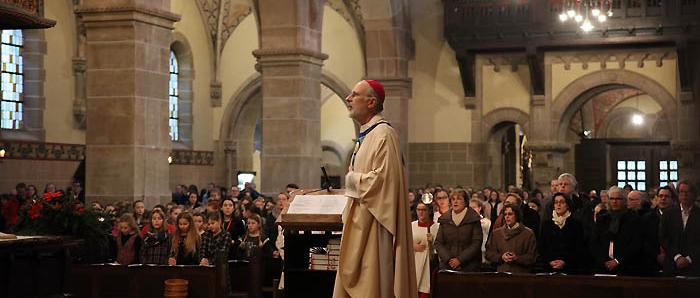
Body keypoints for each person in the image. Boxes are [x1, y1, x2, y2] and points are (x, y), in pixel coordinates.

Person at [333, 79, 417, 298]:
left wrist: (351, 179)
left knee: (374, 284)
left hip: (375, 224)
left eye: (354, 94)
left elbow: (383, 182)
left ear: (371, 102)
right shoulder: (368, 135)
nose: (348, 98)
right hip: (362, 220)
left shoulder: (384, 135)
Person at [590, 186, 643, 275]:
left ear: (624, 200)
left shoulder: (633, 219)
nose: (614, 201)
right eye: (612, 199)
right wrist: (604, 260)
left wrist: (618, 261)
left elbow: (635, 244)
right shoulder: (602, 218)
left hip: (626, 266)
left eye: (618, 199)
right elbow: (594, 242)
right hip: (603, 266)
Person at [434, 189, 482, 272]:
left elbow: (476, 243)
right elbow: (438, 243)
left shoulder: (473, 218)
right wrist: (449, 260)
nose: (455, 201)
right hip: (448, 266)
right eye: (453, 199)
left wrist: (460, 260)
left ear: (466, 202)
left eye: (459, 199)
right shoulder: (445, 219)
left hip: (469, 265)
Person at [659, 180, 700, 276]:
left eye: (687, 192)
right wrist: (677, 257)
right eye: (681, 192)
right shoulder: (668, 214)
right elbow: (663, 237)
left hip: (695, 266)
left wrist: (689, 259)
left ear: (694, 194)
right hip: (672, 264)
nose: (684, 195)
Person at [538, 193, 585, 274]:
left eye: (562, 202)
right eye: (556, 202)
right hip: (549, 268)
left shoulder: (576, 225)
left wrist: (565, 262)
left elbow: (579, 248)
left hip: (570, 269)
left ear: (567, 205)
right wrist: (550, 261)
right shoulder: (546, 224)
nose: (558, 204)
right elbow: (542, 247)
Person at [485, 204, 538, 273]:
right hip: (501, 274)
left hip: (521, 274)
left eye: (510, 214)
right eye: (505, 214)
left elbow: (532, 257)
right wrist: (501, 257)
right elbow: (489, 253)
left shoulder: (528, 234)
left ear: (517, 215)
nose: (507, 217)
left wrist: (516, 258)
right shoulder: (496, 233)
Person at [411, 202, 439, 297]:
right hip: (414, 262)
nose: (421, 212)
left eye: (423, 210)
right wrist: (412, 246)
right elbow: (403, 242)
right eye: (418, 210)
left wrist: (432, 242)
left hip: (429, 263)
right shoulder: (411, 226)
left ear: (429, 211)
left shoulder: (436, 227)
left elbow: (440, 246)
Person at [468, 198, 491, 264]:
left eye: (474, 207)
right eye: (470, 208)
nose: (472, 209)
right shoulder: (466, 222)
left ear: (479, 208)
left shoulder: (486, 222)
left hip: (483, 250)